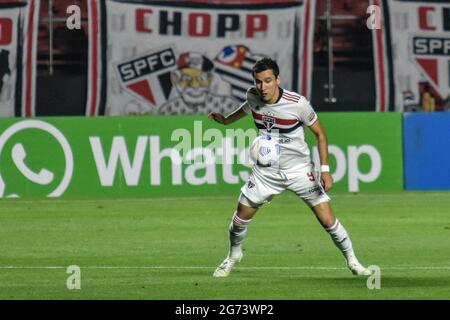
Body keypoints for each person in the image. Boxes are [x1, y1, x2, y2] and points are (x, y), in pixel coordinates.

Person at [208, 57, 371, 278]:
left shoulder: (298, 103)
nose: (263, 87)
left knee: (327, 219)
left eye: (267, 81)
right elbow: (247, 108)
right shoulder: (253, 96)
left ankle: (353, 261)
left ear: (277, 79)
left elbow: (320, 134)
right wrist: (226, 121)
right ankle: (233, 256)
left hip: (299, 170)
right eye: (258, 82)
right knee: (240, 218)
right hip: (267, 172)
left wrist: (325, 170)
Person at [158, 52, 238, 115]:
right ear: (176, 79)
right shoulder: (168, 110)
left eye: (201, 78)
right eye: (186, 79)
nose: (194, 85)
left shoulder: (227, 105)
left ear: (209, 79)